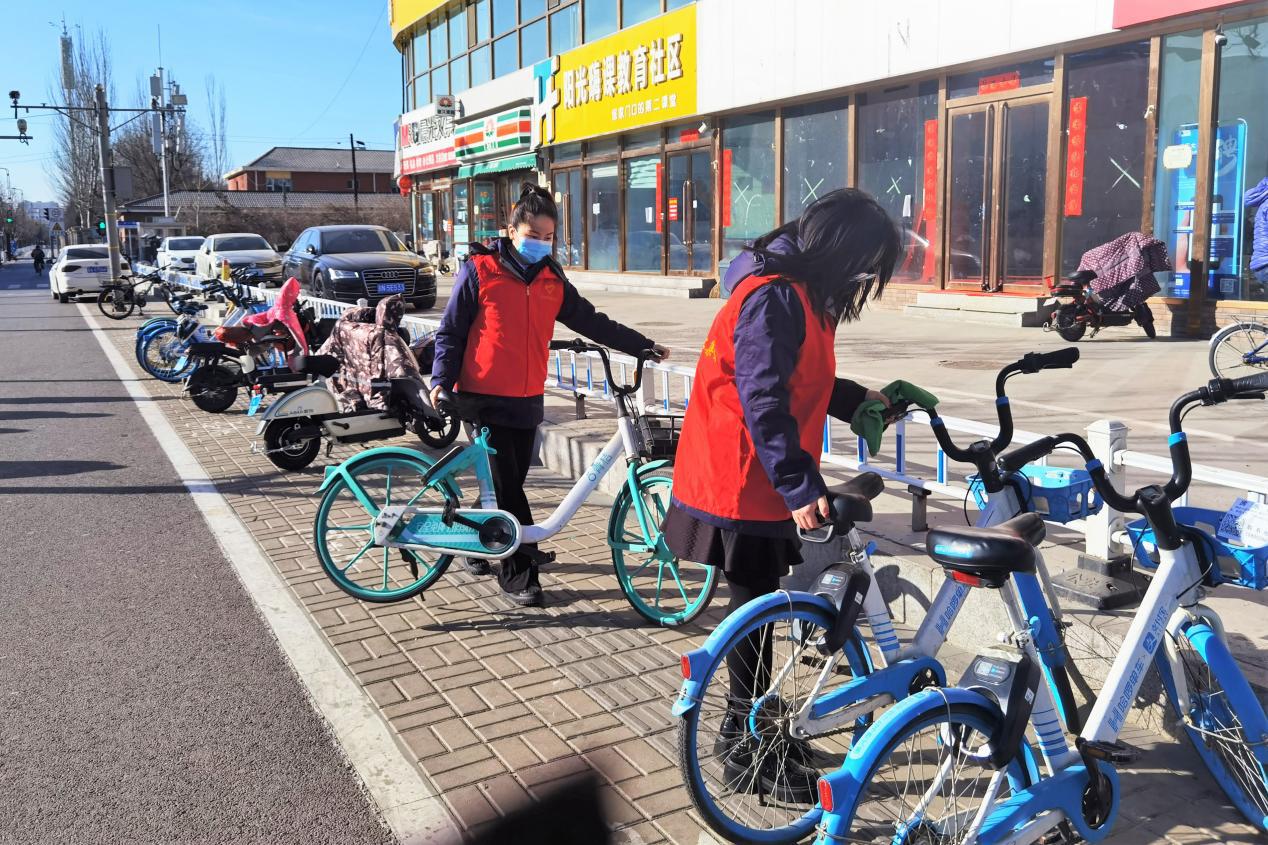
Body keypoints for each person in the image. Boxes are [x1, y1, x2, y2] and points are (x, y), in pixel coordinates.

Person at [662, 188, 902, 801]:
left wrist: (858, 399)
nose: (865, 279)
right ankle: (744, 749)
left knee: (758, 616)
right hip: (741, 476)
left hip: (758, 473)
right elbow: (762, 395)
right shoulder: (774, 296)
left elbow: (802, 375)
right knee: (753, 621)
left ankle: (753, 731)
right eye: (865, 265)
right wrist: (797, 483)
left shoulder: (802, 291)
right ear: (839, 251)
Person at [430, 183, 670, 608]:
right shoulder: (480, 270)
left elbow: (592, 321)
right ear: (511, 230)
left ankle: (474, 536)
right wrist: (440, 382)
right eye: (533, 234)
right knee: (508, 488)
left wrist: (641, 345)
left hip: (526, 398)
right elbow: (451, 332)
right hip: (481, 396)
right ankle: (519, 574)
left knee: (507, 481)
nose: (540, 243)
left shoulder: (551, 279)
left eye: (548, 236)